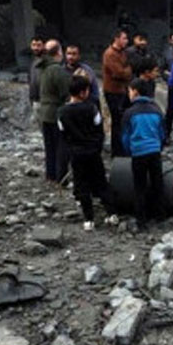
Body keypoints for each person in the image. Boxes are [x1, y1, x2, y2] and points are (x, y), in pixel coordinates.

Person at [57, 75, 119, 231]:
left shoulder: (62, 112)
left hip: (76, 154)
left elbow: (63, 134)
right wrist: (97, 146)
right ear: (83, 92)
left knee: (81, 185)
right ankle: (111, 213)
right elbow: (100, 130)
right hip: (93, 152)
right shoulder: (92, 108)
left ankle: (89, 219)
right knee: (101, 182)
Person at [121, 78, 165, 228]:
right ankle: (160, 216)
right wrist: (159, 146)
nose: (128, 94)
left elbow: (125, 137)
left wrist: (129, 151)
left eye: (129, 91)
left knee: (139, 186)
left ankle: (141, 220)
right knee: (157, 183)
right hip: (154, 151)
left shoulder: (129, 113)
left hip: (138, 153)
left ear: (135, 92)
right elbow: (162, 133)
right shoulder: (156, 110)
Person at [39, 39, 71, 185]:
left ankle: (51, 174)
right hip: (55, 112)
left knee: (49, 147)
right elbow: (66, 92)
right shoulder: (57, 70)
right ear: (59, 52)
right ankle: (61, 176)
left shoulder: (43, 68)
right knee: (60, 147)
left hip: (45, 113)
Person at [103, 29, 132, 157]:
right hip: (113, 91)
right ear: (116, 39)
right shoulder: (110, 54)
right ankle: (117, 151)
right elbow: (119, 73)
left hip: (122, 90)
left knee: (123, 120)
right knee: (117, 122)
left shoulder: (123, 53)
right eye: (124, 38)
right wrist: (127, 71)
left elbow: (127, 69)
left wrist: (126, 71)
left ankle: (123, 147)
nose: (126, 41)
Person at [28, 36, 46, 119]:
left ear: (44, 46)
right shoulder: (33, 62)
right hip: (36, 101)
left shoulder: (47, 61)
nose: (36, 48)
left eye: (39, 45)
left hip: (46, 102)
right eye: (34, 45)